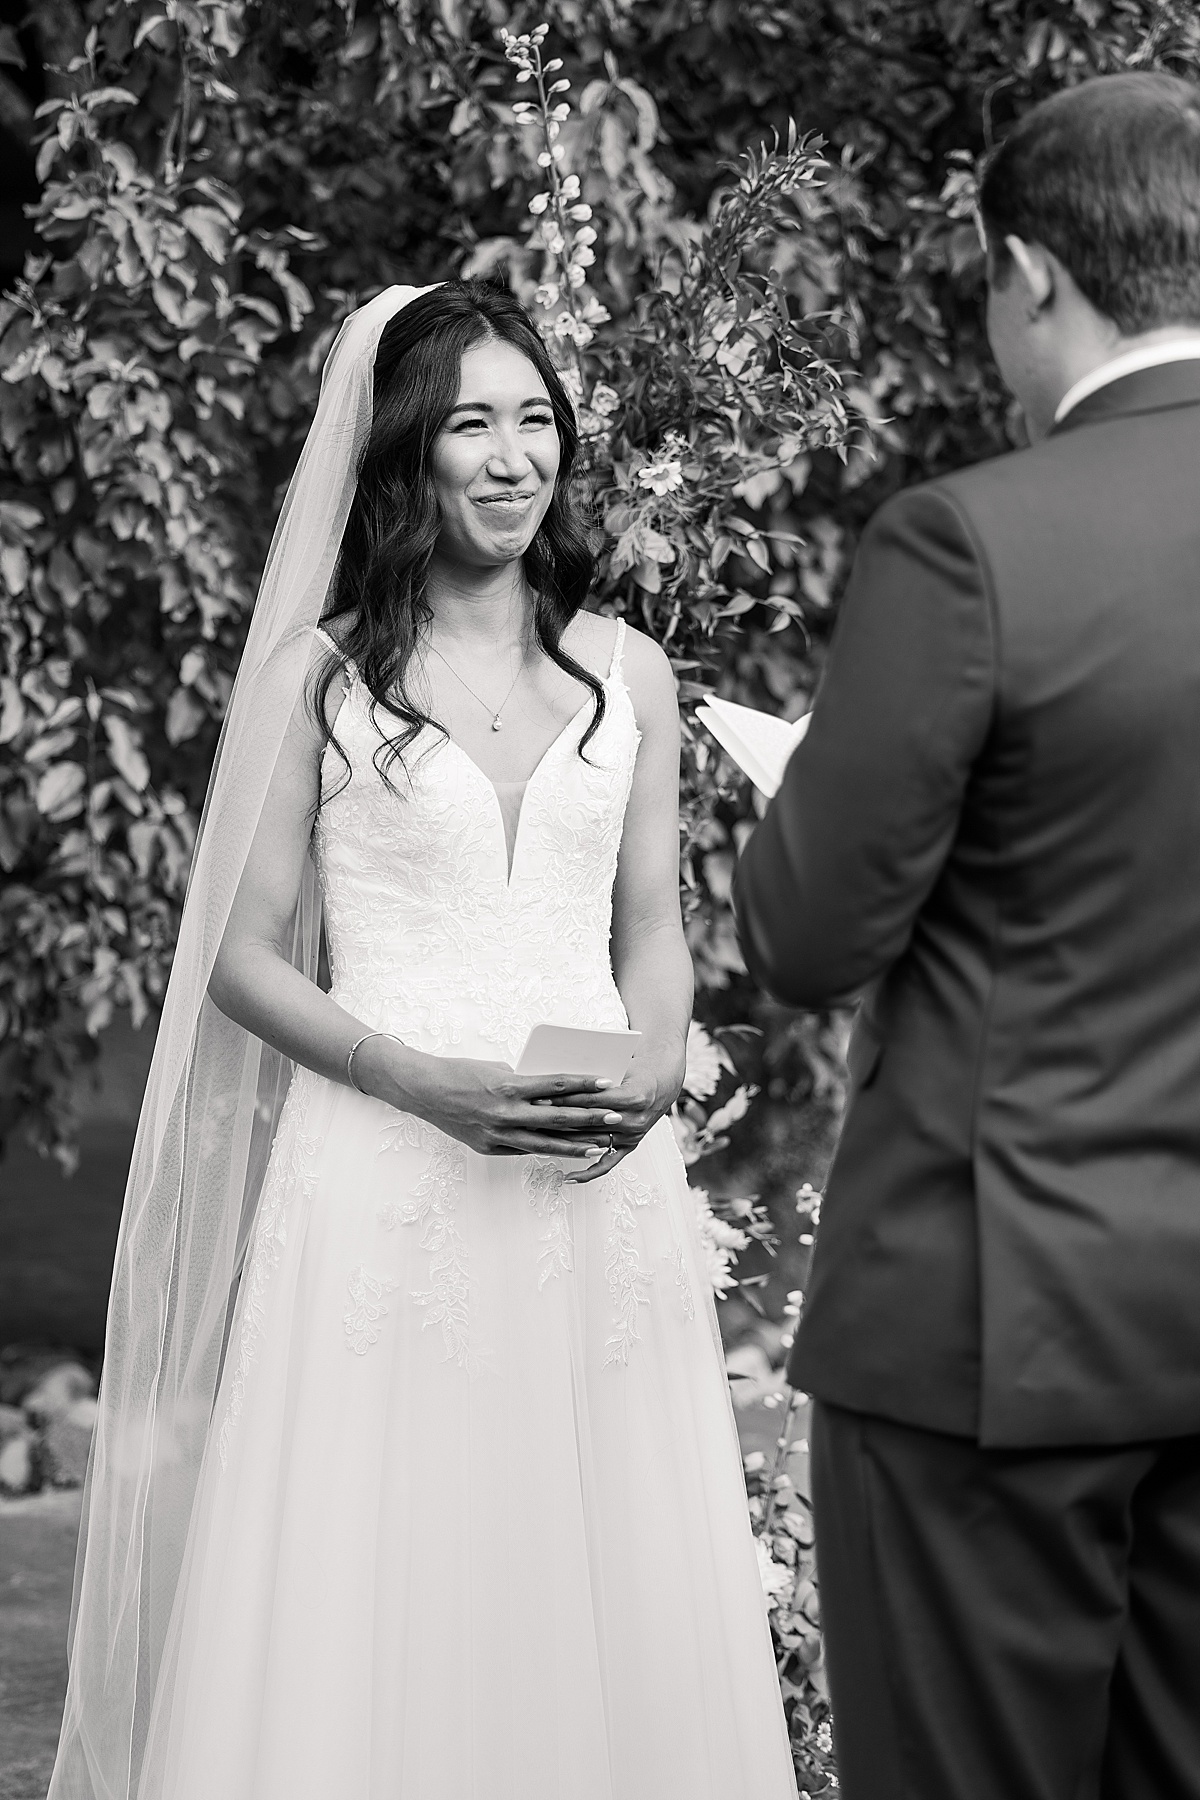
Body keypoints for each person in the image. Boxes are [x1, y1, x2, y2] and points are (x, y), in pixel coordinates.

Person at [49, 281, 798, 1800]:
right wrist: (412, 1078)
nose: (514, 457)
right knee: (384, 1574)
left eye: (537, 421)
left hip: (596, 1184)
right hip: (382, 1176)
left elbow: (650, 926)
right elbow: (239, 962)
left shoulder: (627, 673)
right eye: (473, 424)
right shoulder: (317, 681)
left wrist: (658, 1054)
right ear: (406, 456)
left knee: (600, 1566)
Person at [734, 71, 1200, 1800]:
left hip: (999, 1331)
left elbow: (808, 931)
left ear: (1028, 275)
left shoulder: (970, 545)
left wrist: (797, 794)